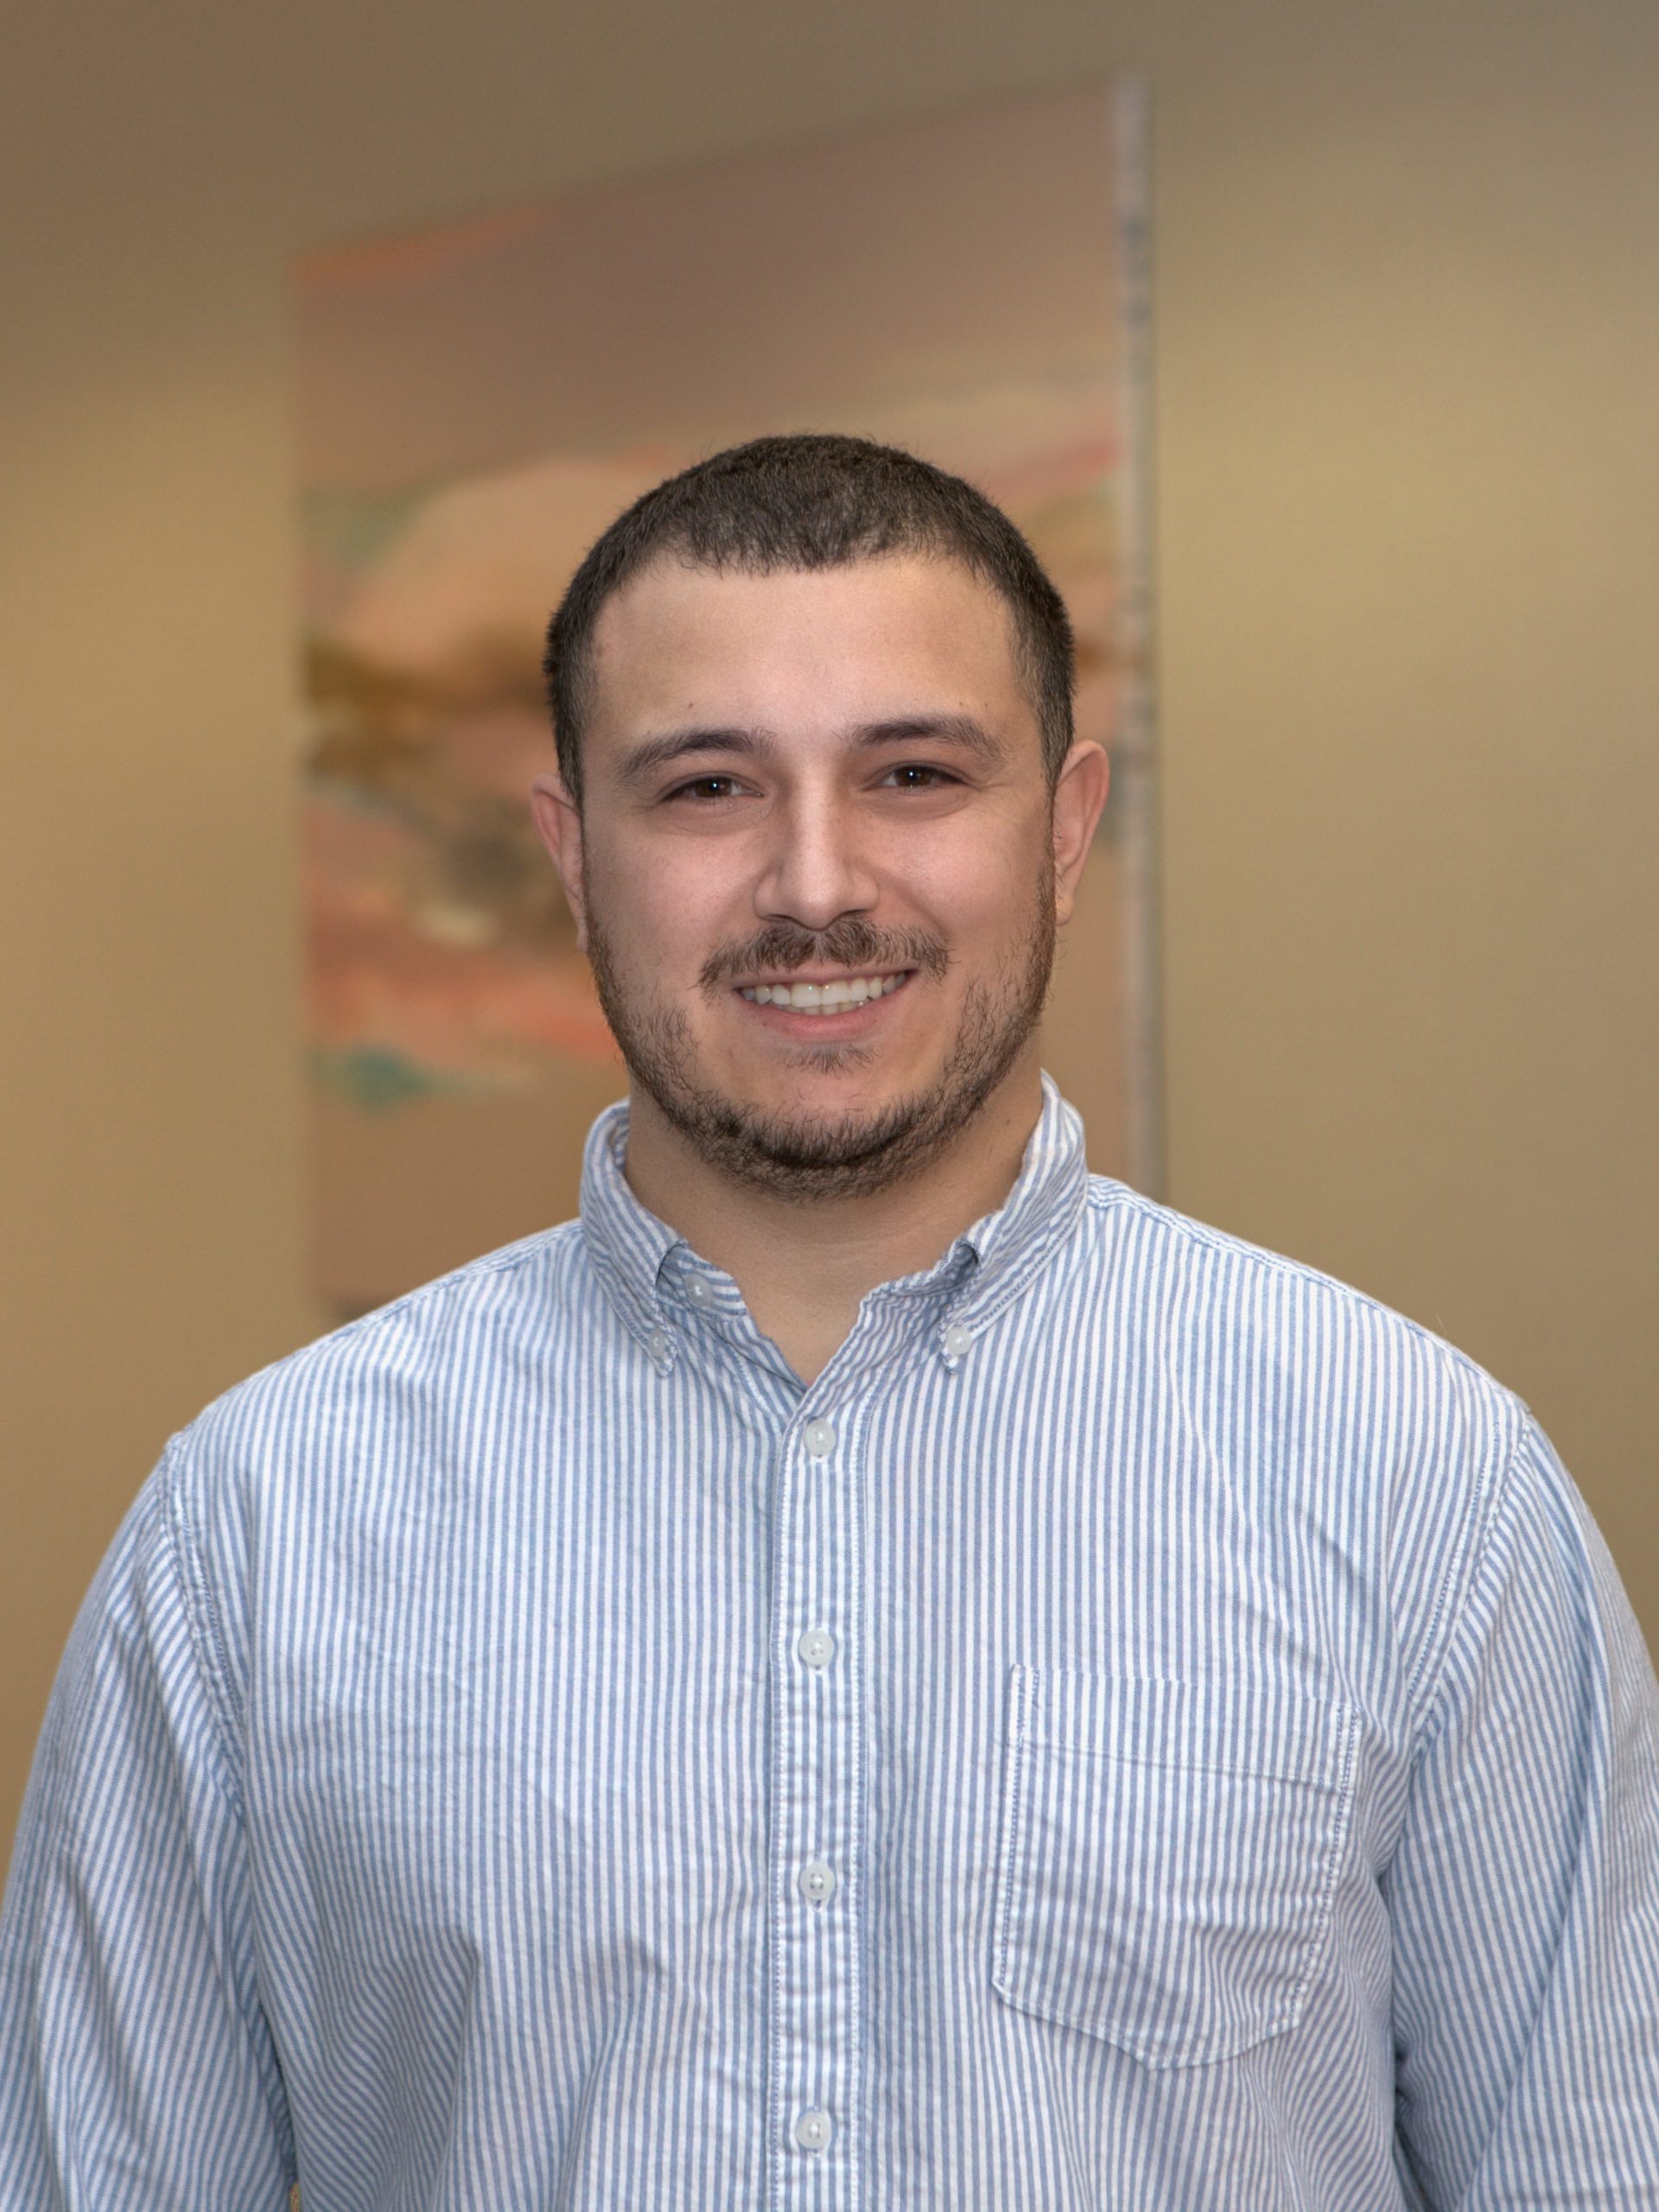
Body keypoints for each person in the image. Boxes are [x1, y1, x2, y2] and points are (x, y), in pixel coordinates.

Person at [3, 434, 1656, 2209]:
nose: (814, 883)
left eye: (914, 773)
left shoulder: (1422, 1483)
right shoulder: (254, 1529)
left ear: (1065, 829)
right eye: (707, 786)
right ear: (574, 855)